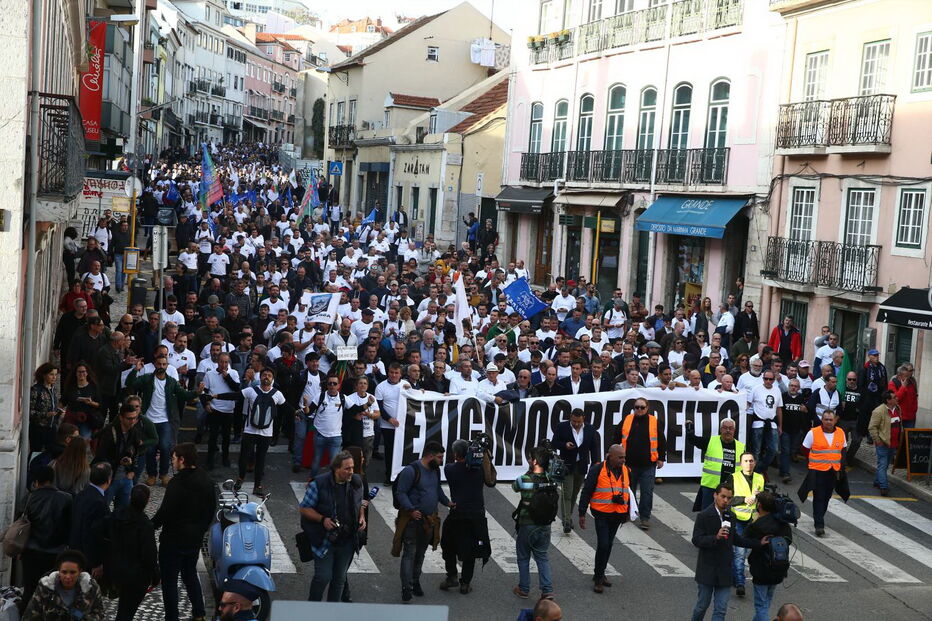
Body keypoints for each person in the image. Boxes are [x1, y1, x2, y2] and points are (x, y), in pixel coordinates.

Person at [151, 443, 217, 621]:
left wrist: (150, 526)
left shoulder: (177, 484)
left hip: (173, 541)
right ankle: (199, 614)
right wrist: (200, 530)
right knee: (190, 576)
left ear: (182, 460)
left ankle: (172, 617)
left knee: (170, 583)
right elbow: (212, 509)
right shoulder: (206, 480)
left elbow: (165, 512)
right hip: (194, 540)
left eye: (173, 458)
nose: (172, 462)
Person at [690, 483, 770, 621]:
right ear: (715, 495)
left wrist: (758, 543)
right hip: (707, 569)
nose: (725, 500)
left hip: (724, 570)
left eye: (729, 498)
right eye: (723, 497)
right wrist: (715, 537)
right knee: (702, 605)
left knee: (720, 610)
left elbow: (737, 539)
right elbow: (696, 539)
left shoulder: (730, 516)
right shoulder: (704, 515)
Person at [126, 356, 203, 486]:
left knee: (165, 446)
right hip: (149, 419)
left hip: (165, 420)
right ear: (155, 365)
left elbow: (184, 394)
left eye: (164, 364)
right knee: (149, 449)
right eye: (159, 364)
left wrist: (197, 392)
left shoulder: (172, 382)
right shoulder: (147, 379)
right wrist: (135, 370)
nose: (161, 366)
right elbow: (130, 383)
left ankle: (164, 474)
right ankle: (151, 474)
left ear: (167, 365)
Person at [299, 451, 365, 602]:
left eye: (352, 468)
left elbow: (360, 501)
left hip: (347, 540)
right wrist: (323, 519)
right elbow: (304, 508)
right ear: (336, 468)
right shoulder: (319, 484)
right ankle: (312, 607)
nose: (351, 472)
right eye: (347, 468)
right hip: (324, 540)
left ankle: (331, 612)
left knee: (339, 579)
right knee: (323, 577)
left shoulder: (356, 482)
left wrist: (361, 516)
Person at [393, 441, 452, 603]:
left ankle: (415, 581)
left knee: (420, 554)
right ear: (430, 456)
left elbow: (437, 489)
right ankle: (406, 588)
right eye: (440, 457)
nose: (442, 461)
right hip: (413, 522)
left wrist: (448, 503)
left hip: (429, 521)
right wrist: (411, 509)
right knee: (409, 554)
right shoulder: (411, 471)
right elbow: (401, 492)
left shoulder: (435, 470)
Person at [440, 438, 497, 594]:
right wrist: (485, 455)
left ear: (456, 454)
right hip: (476, 515)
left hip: (457, 514)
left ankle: (451, 575)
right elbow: (491, 479)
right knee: (471, 550)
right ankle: (465, 583)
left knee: (448, 545)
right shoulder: (479, 471)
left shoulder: (450, 469)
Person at [577, 444, 630, 593]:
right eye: (620, 457)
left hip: (618, 514)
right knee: (603, 544)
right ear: (610, 456)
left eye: (624, 457)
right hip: (601, 514)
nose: (623, 460)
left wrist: (628, 512)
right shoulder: (597, 470)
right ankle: (599, 577)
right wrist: (582, 513)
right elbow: (586, 491)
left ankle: (600, 573)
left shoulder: (626, 470)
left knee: (609, 544)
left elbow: (628, 492)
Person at [20, 465, 72, 609]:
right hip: (55, 553)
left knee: (29, 590)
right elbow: (69, 526)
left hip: (31, 551)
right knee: (52, 593)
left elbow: (21, 523)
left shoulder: (30, 498)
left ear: (37, 481)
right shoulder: (66, 498)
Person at [105, 485, 159, 621]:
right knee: (126, 612)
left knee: (124, 611)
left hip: (116, 570)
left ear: (130, 497)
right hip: (136, 576)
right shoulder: (145, 525)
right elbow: (149, 555)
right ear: (147, 500)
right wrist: (155, 575)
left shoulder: (116, 515)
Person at [512, 445, 556, 601]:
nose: (529, 460)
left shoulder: (525, 479)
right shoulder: (551, 479)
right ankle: (547, 591)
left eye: (530, 458)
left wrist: (529, 471)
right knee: (542, 557)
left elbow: (515, 486)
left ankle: (523, 588)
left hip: (527, 524)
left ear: (535, 461)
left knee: (523, 556)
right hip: (545, 525)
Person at [617, 397, 665, 530]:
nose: (639, 410)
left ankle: (645, 518)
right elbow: (616, 436)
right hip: (629, 464)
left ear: (647, 408)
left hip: (648, 465)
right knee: (629, 492)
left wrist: (661, 458)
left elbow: (662, 440)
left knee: (647, 492)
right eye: (636, 407)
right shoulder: (627, 420)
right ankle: (629, 513)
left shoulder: (654, 421)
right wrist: (612, 453)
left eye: (642, 407)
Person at [237, 368, 286, 497]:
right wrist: (216, 396)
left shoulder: (277, 394)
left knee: (261, 459)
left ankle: (257, 485)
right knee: (244, 457)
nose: (267, 377)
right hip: (249, 430)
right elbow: (234, 396)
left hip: (266, 433)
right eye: (264, 375)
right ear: (260, 377)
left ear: (272, 379)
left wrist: (297, 413)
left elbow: (286, 407)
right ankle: (240, 478)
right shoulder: (251, 391)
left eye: (269, 375)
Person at [798, 410, 847, 536]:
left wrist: (841, 468)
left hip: (833, 471)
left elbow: (843, 450)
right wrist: (814, 461)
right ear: (822, 420)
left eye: (831, 419)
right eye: (826, 419)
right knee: (819, 497)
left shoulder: (841, 433)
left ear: (835, 420)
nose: (828, 422)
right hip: (818, 470)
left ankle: (819, 516)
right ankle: (819, 524)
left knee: (827, 497)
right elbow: (804, 449)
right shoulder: (813, 433)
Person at [744, 491, 793, 621]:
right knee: (766, 604)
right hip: (778, 569)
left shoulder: (757, 525)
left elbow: (745, 540)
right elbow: (789, 540)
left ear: (759, 505)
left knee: (761, 606)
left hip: (761, 570)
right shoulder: (782, 523)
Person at [723, 452, 764, 598]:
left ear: (755, 462)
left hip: (753, 521)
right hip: (738, 519)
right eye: (746, 461)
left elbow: (762, 501)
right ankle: (740, 583)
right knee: (740, 554)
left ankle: (735, 575)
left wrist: (760, 497)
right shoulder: (733, 477)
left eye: (751, 461)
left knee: (745, 552)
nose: (749, 463)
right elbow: (728, 499)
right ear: (741, 463)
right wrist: (744, 499)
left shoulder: (760, 477)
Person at [21, 549, 105, 621]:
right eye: (64, 572)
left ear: (80, 572)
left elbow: (99, 613)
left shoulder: (90, 588)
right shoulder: (45, 588)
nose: (68, 577)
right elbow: (31, 615)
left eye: (73, 572)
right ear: (59, 571)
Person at [551, 408, 598, 533]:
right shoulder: (562, 427)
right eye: (574, 421)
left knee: (574, 494)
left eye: (578, 422)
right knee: (567, 493)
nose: (576, 424)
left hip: (581, 465)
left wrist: (596, 463)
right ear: (570, 417)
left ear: (583, 419)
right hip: (566, 465)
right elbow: (554, 443)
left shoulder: (590, 429)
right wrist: (564, 445)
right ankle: (566, 520)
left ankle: (569, 515)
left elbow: (594, 447)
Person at [93, 402, 145, 510]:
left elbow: (137, 451)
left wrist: (132, 470)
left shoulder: (134, 432)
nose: (132, 421)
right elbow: (101, 457)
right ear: (121, 418)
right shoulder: (110, 432)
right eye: (129, 418)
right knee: (102, 509)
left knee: (123, 512)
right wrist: (118, 462)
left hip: (126, 478)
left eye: (134, 418)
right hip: (109, 478)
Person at [686, 418, 745, 511]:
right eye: (725, 428)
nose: (728, 431)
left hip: (731, 489)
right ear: (721, 429)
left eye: (730, 428)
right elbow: (693, 440)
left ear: (734, 430)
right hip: (711, 487)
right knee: (707, 515)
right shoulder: (710, 441)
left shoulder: (741, 447)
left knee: (727, 517)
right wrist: (689, 430)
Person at [68, 462, 112, 580]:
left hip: (74, 552)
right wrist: (96, 563)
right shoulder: (99, 503)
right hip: (86, 559)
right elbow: (93, 534)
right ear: (109, 480)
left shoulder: (81, 495)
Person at [868, 390, 902, 497]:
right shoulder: (878, 411)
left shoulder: (897, 409)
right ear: (888, 400)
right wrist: (878, 441)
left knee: (885, 464)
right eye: (894, 397)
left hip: (893, 443)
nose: (897, 398)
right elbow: (872, 427)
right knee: (883, 464)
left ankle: (878, 481)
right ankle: (884, 486)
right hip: (883, 443)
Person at [748, 371, 782, 475]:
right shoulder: (756, 389)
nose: (768, 381)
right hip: (758, 422)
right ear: (763, 379)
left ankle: (761, 468)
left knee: (774, 449)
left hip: (772, 423)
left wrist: (780, 426)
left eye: (770, 379)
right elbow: (748, 404)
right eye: (765, 379)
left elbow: (779, 409)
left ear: (773, 380)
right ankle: (756, 473)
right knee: (756, 450)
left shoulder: (777, 390)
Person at [29, 363, 61, 454]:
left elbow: (54, 406)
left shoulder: (54, 390)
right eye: (51, 374)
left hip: (52, 428)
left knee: (51, 454)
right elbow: (29, 412)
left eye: (55, 374)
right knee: (36, 453)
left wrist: (59, 413)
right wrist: (45, 414)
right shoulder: (36, 390)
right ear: (44, 375)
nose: (54, 377)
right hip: (38, 429)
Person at [888, 363, 918, 429]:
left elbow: (914, 397)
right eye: (909, 371)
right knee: (899, 436)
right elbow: (895, 399)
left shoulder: (912, 381)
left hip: (911, 416)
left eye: (912, 370)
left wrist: (914, 410)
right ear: (900, 376)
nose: (911, 373)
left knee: (909, 437)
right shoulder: (893, 383)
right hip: (899, 416)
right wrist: (903, 387)